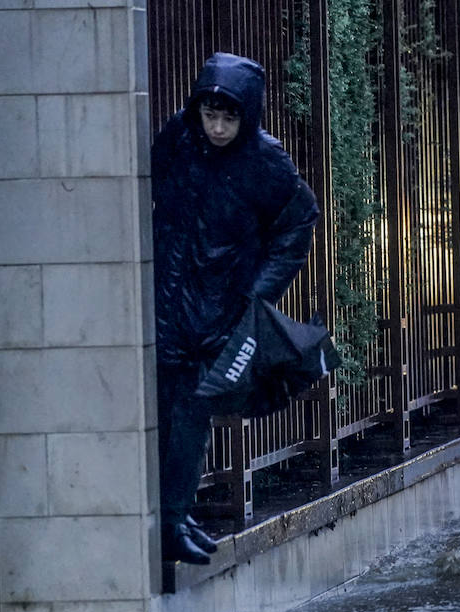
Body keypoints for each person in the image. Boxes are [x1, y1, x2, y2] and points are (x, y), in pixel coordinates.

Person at [152, 52, 320, 565]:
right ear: (197, 109)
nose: (219, 127)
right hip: (166, 303)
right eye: (211, 115)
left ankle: (175, 519)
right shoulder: (176, 142)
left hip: (220, 310)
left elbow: (299, 223)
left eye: (229, 117)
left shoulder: (265, 161)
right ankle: (171, 518)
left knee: (191, 411)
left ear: (247, 116)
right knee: (165, 413)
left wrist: (256, 296)